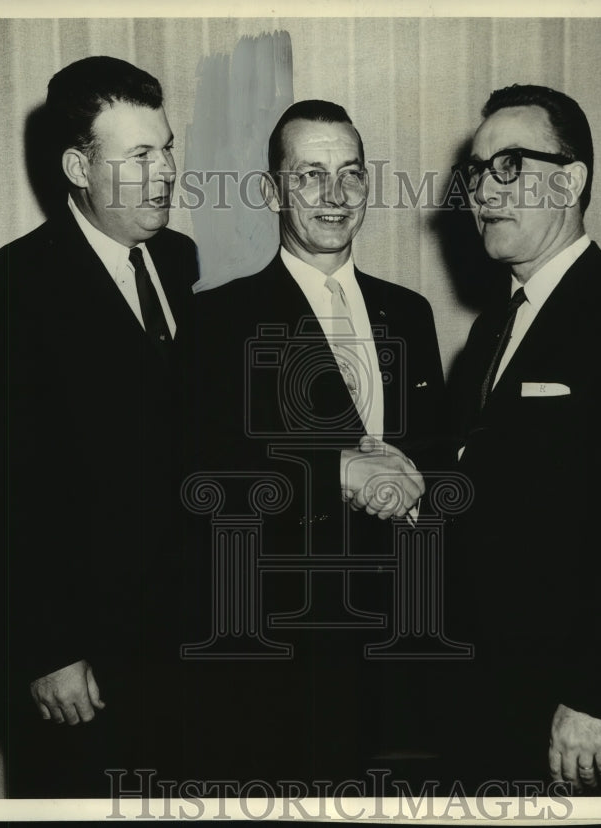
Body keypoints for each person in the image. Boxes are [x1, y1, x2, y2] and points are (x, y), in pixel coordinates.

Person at [0, 56, 198, 797]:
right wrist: (44, 653)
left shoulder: (177, 263)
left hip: (186, 649)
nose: (166, 171)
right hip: (84, 669)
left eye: (168, 148)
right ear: (80, 166)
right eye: (140, 155)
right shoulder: (10, 292)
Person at [182, 100, 447, 786]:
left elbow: (437, 459)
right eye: (310, 176)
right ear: (272, 190)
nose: (335, 196)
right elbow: (200, 472)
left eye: (351, 175)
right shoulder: (219, 320)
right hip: (276, 655)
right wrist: (333, 471)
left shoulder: (410, 313)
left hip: (402, 648)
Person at [444, 84, 601, 796]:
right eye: (475, 170)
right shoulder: (493, 328)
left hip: (575, 715)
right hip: (485, 696)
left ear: (571, 179)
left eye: (508, 165)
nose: (482, 191)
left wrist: (594, 696)